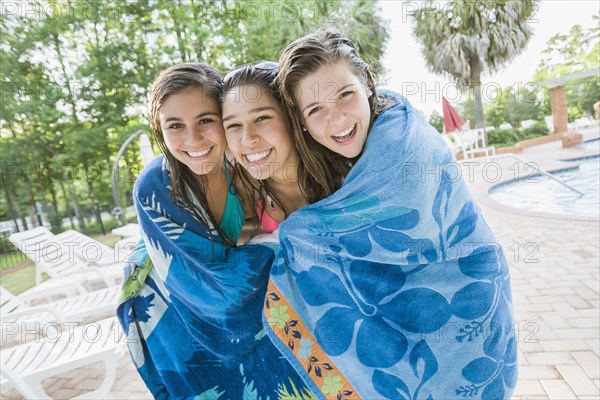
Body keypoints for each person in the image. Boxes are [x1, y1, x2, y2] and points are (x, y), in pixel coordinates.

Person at [261, 29, 518, 400]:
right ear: (300, 121)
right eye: (316, 110)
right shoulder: (338, 157)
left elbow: (382, 219)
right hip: (415, 314)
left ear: (367, 84)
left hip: (469, 292)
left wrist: (296, 230)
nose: (336, 120)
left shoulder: (402, 140)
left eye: (344, 95)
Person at [116, 62, 314, 399]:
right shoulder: (155, 187)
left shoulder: (246, 159)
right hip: (170, 303)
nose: (193, 139)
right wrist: (291, 243)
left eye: (206, 120)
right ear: (158, 130)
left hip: (234, 287)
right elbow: (217, 295)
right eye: (175, 125)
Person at [221, 61, 308, 236]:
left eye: (261, 118)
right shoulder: (244, 183)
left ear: (291, 116)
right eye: (233, 125)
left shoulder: (342, 170)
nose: (247, 140)